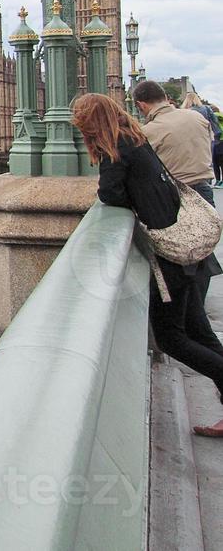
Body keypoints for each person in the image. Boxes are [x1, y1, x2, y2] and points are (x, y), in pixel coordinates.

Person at [72, 93, 223, 438]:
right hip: (188, 246)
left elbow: (110, 194)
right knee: (199, 332)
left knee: (171, 337)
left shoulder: (116, 149)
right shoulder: (137, 138)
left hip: (173, 255)